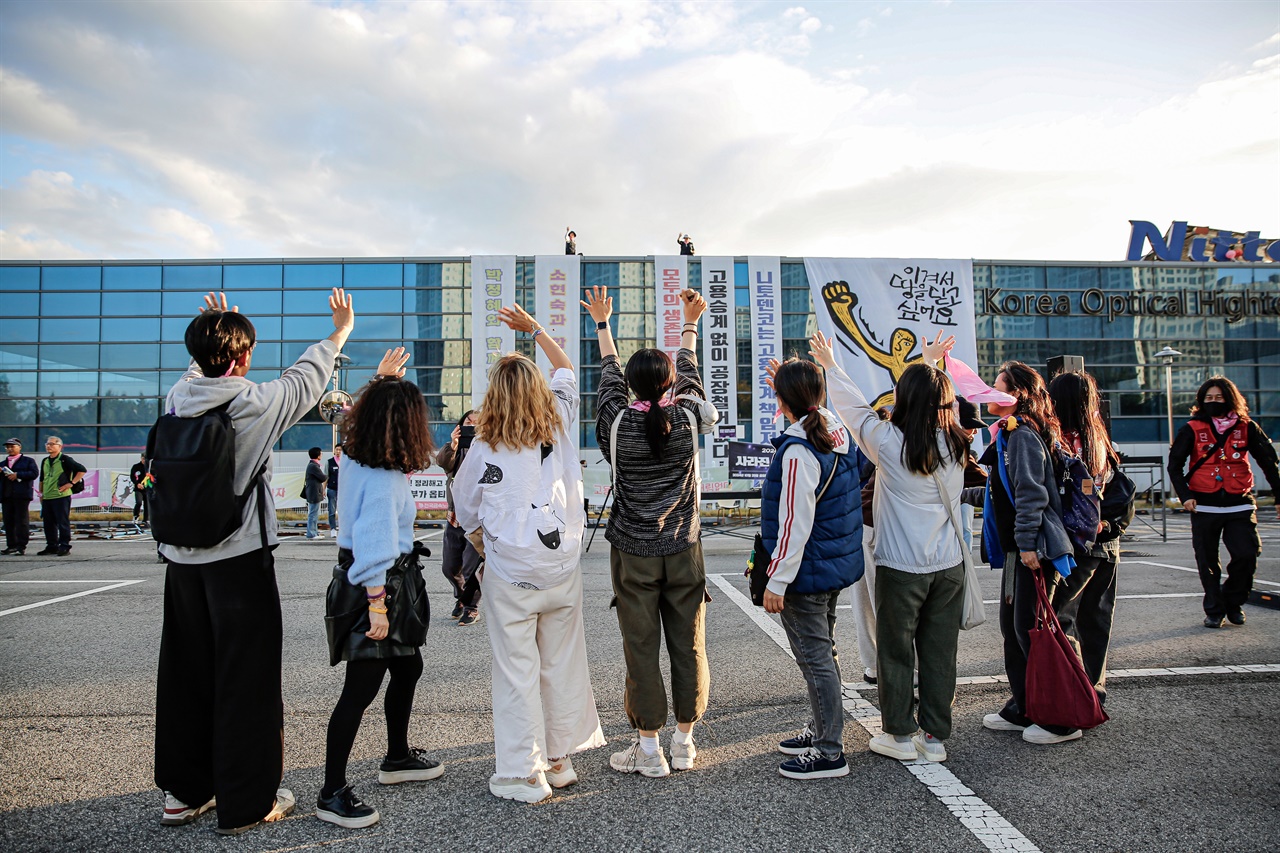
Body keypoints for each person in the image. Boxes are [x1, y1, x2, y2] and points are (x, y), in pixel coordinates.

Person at [155, 288, 353, 835]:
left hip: (181, 560)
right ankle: (247, 802)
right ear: (241, 358)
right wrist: (339, 330)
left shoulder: (177, 396)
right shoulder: (254, 403)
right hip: (237, 560)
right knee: (247, 679)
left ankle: (183, 792)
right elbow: (306, 379)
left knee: (185, 673)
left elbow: (201, 369)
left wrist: (209, 336)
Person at [453, 302, 606, 804]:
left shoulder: (482, 445)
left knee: (516, 669)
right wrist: (536, 330)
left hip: (510, 571)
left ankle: (524, 772)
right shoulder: (558, 420)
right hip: (561, 565)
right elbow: (565, 369)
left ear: (492, 397)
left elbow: (466, 509)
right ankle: (560, 760)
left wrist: (483, 540)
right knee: (560, 662)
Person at [813, 331, 968, 764]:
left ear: (905, 400)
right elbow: (931, 401)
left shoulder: (890, 444)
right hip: (949, 565)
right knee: (940, 653)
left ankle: (899, 734)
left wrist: (830, 363)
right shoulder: (958, 444)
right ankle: (935, 738)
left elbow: (853, 408)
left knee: (896, 651)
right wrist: (931, 363)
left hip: (902, 566)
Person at [583, 284, 718, 778]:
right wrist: (689, 324)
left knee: (640, 644)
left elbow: (608, 380)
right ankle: (684, 741)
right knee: (690, 641)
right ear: (671, 385)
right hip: (685, 547)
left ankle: (647, 748)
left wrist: (603, 324)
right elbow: (692, 377)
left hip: (633, 551)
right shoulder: (686, 418)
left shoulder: (614, 424)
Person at [318, 357, 443, 830]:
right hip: (377, 583)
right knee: (360, 688)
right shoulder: (382, 478)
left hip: (377, 578)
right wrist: (377, 605)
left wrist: (381, 380)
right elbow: (372, 545)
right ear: (407, 425)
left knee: (408, 666)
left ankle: (396, 757)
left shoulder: (352, 455)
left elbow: (349, 417)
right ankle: (331, 791)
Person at [760, 356, 864, 779]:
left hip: (804, 572)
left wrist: (776, 580)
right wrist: (791, 388)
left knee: (815, 658)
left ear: (782, 401)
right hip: (831, 565)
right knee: (825, 653)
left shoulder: (798, 451)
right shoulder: (835, 431)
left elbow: (793, 524)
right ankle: (824, 728)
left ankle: (828, 750)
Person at [978, 361, 1080, 746]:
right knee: (1014, 629)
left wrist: (1025, 544)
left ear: (1017, 395)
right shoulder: (1007, 434)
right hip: (1017, 549)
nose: (989, 390)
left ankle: (1060, 720)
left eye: (997, 385)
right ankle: (1025, 707)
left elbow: (1031, 494)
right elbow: (1000, 494)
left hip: (1033, 548)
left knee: (1033, 632)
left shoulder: (1021, 434)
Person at [1168, 376, 1280, 629]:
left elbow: (1269, 463)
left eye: (1219, 398)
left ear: (1230, 399)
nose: (1214, 402)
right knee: (1207, 561)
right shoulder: (1192, 428)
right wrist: (1185, 496)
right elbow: (1174, 465)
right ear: (1201, 401)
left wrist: (1279, 497)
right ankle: (1214, 610)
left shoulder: (1246, 426)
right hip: (1203, 505)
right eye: (1209, 399)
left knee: (1247, 554)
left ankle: (1233, 601)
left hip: (1239, 503)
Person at [1048, 370, 1121, 703]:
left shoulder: (1060, 440)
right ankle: (1095, 690)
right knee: (1096, 618)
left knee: (1061, 616)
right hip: (1106, 542)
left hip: (1076, 542)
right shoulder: (1099, 437)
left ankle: (1077, 696)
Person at [436, 409, 483, 625]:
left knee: (470, 567)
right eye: (467, 422)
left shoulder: (487, 449)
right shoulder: (455, 450)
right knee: (449, 567)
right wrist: (452, 444)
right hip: (454, 516)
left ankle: (471, 606)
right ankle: (461, 597)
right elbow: (443, 462)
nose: (470, 426)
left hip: (476, 518)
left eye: (476, 423)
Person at [37, 436, 86, 557]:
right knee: (48, 523)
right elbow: (42, 478)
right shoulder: (45, 460)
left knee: (62, 522)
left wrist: (71, 483)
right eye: (47, 444)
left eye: (52, 444)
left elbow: (82, 470)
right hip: (48, 496)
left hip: (61, 495)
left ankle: (64, 545)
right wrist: (41, 493)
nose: (49, 446)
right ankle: (51, 545)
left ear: (59, 446)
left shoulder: (65, 459)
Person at [2, 438, 40, 556]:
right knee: (8, 522)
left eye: (12, 446)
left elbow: (34, 473)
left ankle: (21, 545)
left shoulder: (28, 461)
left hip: (21, 495)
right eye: (8, 447)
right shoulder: (3, 463)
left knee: (21, 521)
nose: (9, 449)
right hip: (6, 495)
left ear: (19, 447)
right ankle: (11, 545)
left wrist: (18, 475)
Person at [305, 446, 328, 539]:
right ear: (317, 455)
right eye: (321, 453)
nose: (321, 455)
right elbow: (323, 477)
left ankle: (314, 532)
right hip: (313, 493)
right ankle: (311, 533)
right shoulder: (313, 466)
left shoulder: (313, 465)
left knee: (314, 513)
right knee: (313, 514)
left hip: (314, 492)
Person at [326, 445, 342, 538]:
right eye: (337, 449)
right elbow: (326, 476)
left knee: (342, 510)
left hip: (343, 490)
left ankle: (342, 528)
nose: (338, 451)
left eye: (340, 450)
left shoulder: (346, 462)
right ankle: (333, 529)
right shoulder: (330, 462)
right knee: (332, 510)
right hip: (332, 488)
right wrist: (323, 489)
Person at [130, 453, 150, 525]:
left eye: (145, 459)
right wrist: (137, 483)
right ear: (141, 458)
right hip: (138, 488)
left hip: (147, 489)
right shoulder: (136, 466)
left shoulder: (149, 467)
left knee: (147, 504)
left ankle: (145, 519)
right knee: (138, 502)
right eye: (143, 458)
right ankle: (136, 516)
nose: (144, 460)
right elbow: (132, 476)